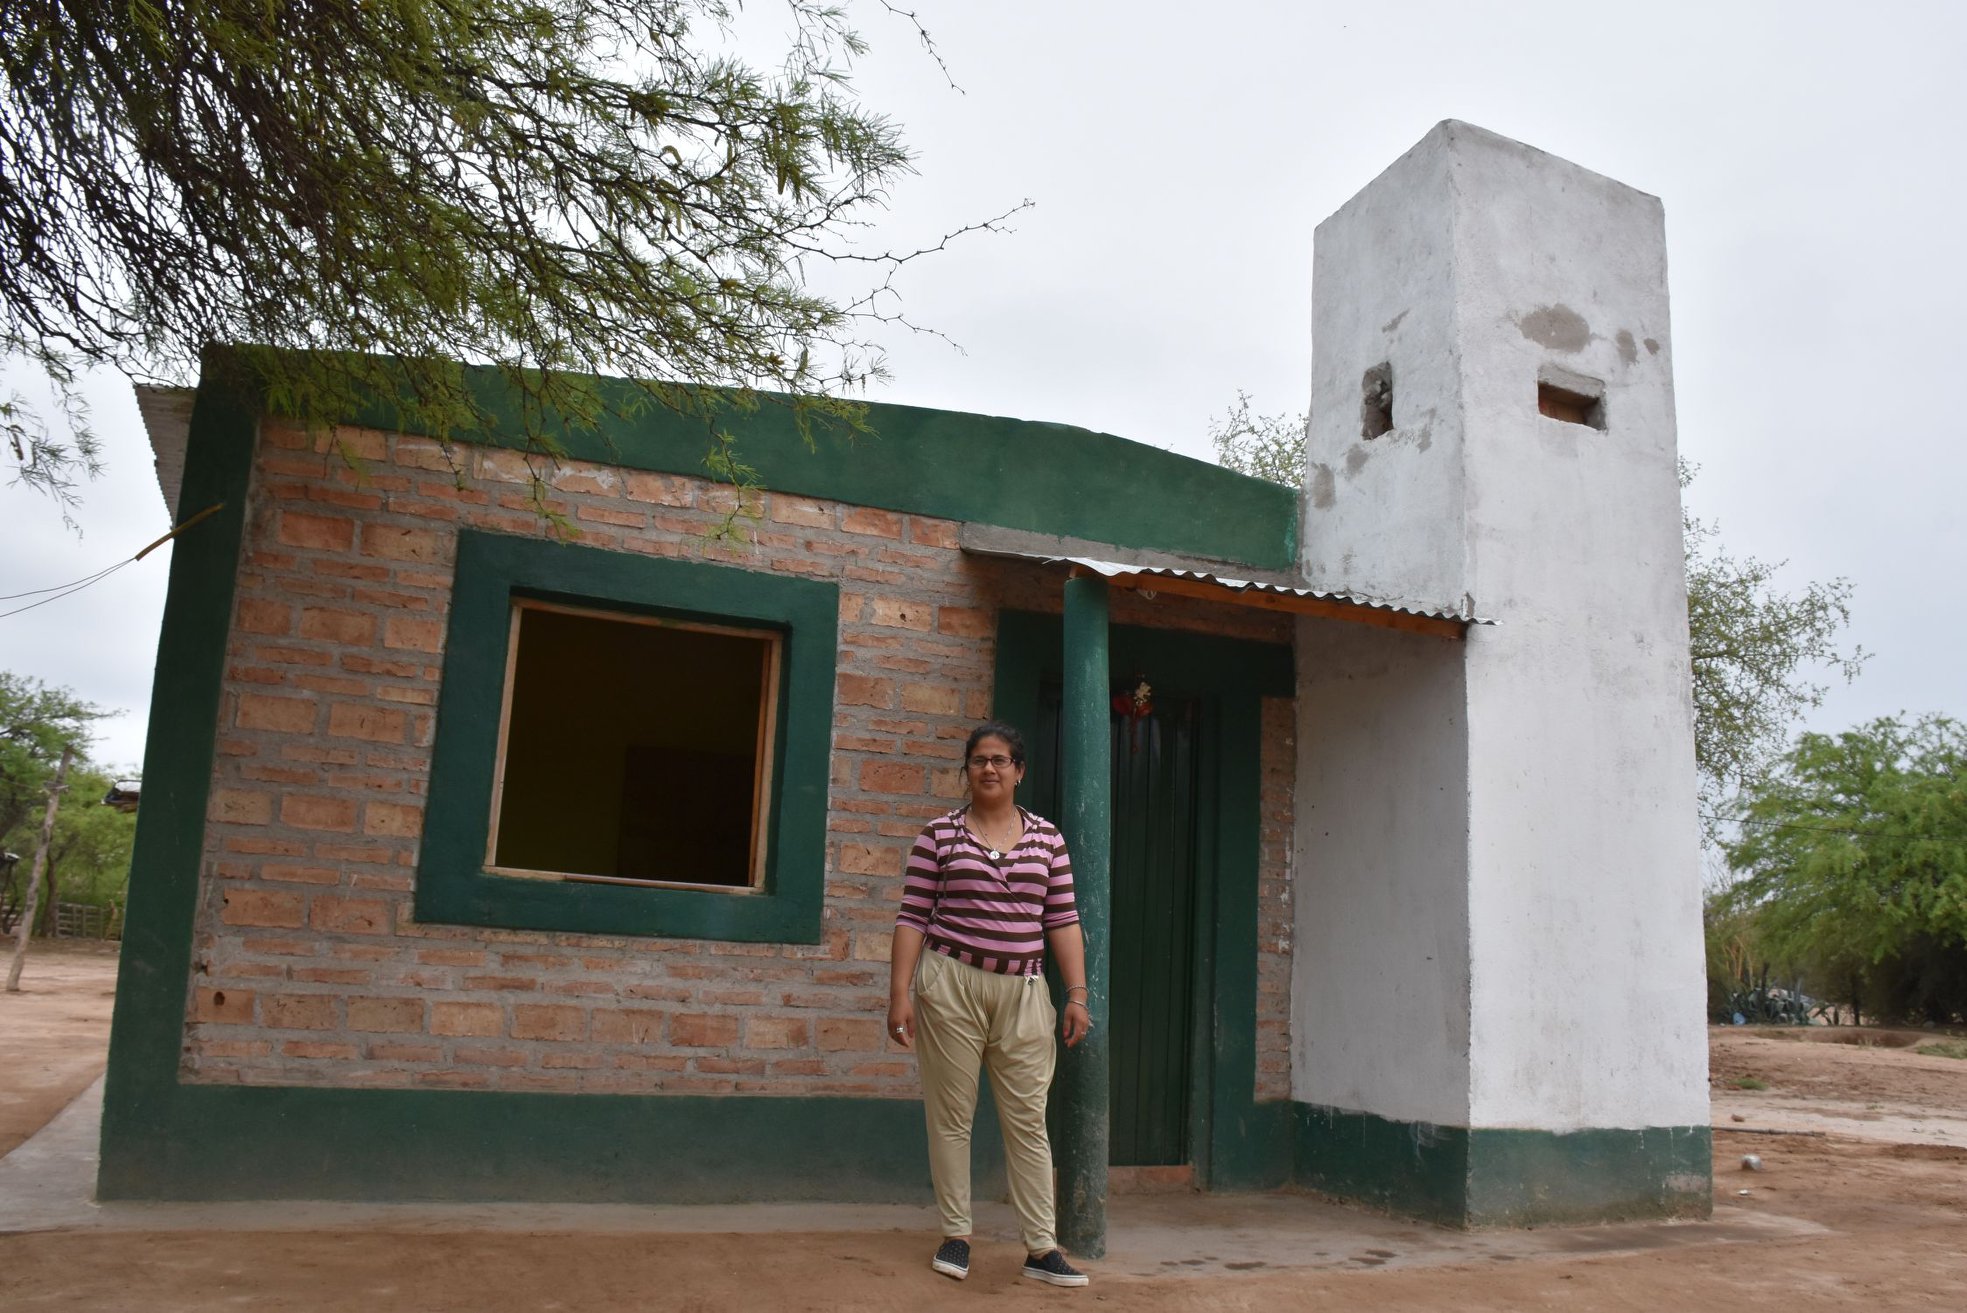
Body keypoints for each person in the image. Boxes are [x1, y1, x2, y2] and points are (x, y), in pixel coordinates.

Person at [888, 721, 1092, 1288]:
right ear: (967, 769)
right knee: (951, 1116)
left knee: (1028, 1120)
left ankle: (1041, 1248)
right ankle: (956, 1235)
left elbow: (1062, 919)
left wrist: (1076, 994)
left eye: (1001, 760)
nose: (989, 769)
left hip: (1023, 991)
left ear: (1019, 770)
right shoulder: (939, 835)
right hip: (950, 983)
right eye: (979, 760)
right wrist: (899, 994)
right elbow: (912, 916)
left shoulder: (1048, 839)